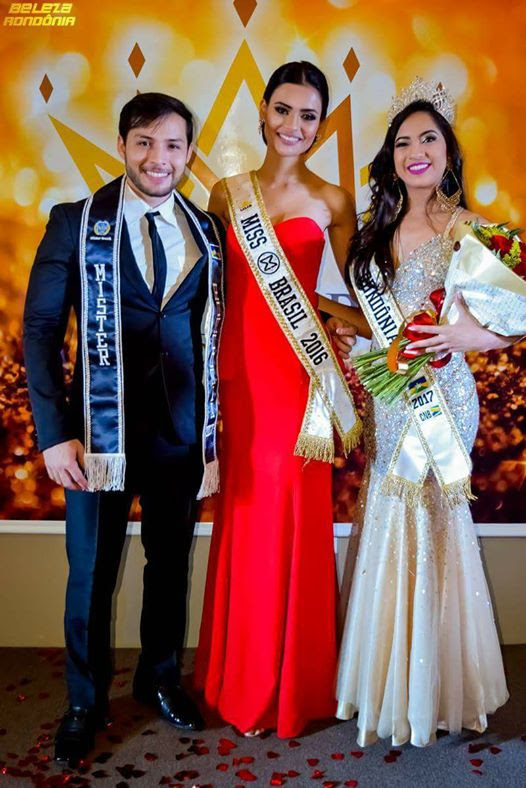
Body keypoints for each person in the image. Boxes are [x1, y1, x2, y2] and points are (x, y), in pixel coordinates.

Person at [23, 92, 225, 764]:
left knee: (169, 566)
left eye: (172, 145)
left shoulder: (207, 231)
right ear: (122, 146)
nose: (158, 158)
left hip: (178, 435)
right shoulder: (76, 222)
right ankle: (84, 701)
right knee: (91, 572)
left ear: (188, 153)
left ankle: (158, 678)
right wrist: (53, 433)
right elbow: (41, 329)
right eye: (145, 142)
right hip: (95, 436)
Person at [335, 78, 511, 747]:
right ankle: (389, 684)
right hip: (390, 399)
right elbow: (379, 326)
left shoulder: (468, 227)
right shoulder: (377, 230)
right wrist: (339, 323)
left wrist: (470, 336)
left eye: (428, 138)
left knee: (434, 523)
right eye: (404, 141)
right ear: (391, 155)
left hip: (444, 399)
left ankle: (436, 689)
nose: (416, 151)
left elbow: (515, 312)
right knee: (389, 515)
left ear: (448, 151)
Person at [194, 61, 366, 738]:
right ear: (264, 111)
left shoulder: (334, 200)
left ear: (320, 126)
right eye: (284, 109)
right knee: (247, 520)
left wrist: (333, 319)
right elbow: (207, 291)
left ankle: (292, 686)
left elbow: (362, 298)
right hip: (239, 378)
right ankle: (242, 679)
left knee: (291, 518)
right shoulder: (226, 194)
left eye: (308, 115)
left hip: (301, 381)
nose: (294, 125)